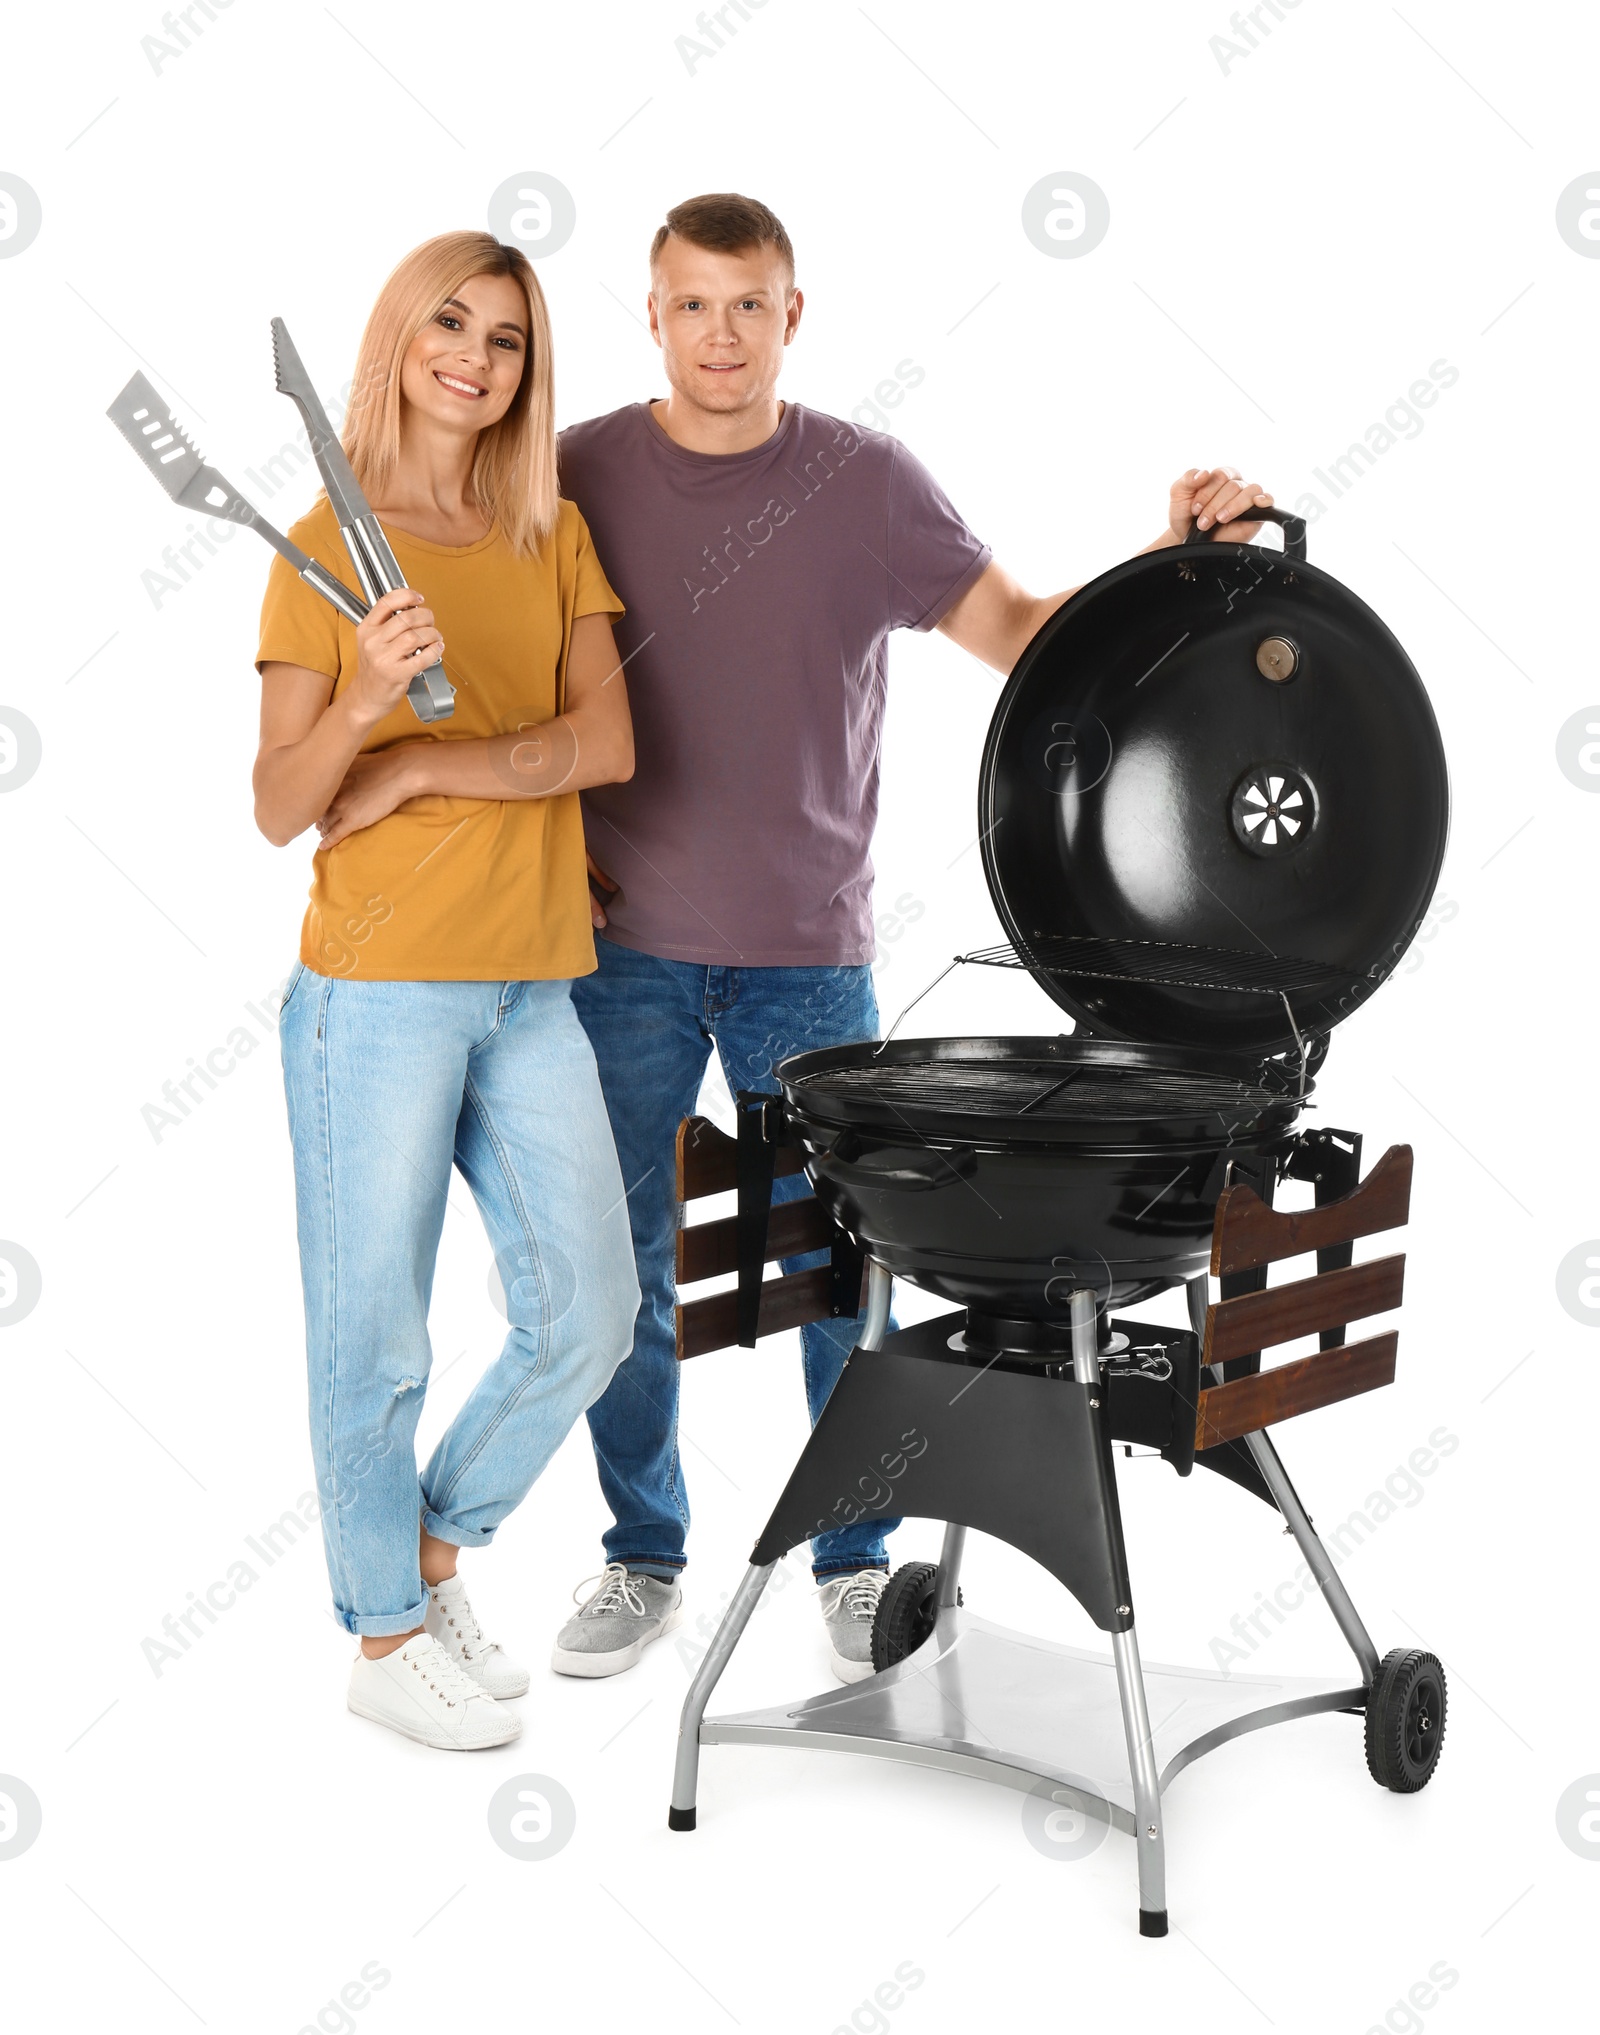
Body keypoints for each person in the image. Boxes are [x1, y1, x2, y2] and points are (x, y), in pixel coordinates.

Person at [390, 194, 1274, 1684]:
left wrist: (1177, 560)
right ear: (651, 314)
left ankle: (856, 1560)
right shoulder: (581, 469)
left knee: (848, 1260)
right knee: (626, 1266)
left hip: (811, 951)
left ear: (793, 316)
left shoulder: (866, 483)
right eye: (691, 306)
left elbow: (1023, 636)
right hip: (620, 956)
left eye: (750, 306)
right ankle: (642, 1553)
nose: (720, 336)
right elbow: (493, 658)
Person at [255, 230, 640, 1750]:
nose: (475, 360)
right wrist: (360, 690)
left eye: (508, 341)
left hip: (533, 982)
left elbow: (601, 748)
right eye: (451, 326)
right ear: (401, 338)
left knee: (591, 1311)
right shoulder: (317, 546)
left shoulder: (553, 532)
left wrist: (418, 758)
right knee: (377, 1337)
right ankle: (383, 1637)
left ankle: (417, 1554)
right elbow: (282, 804)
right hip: (378, 996)